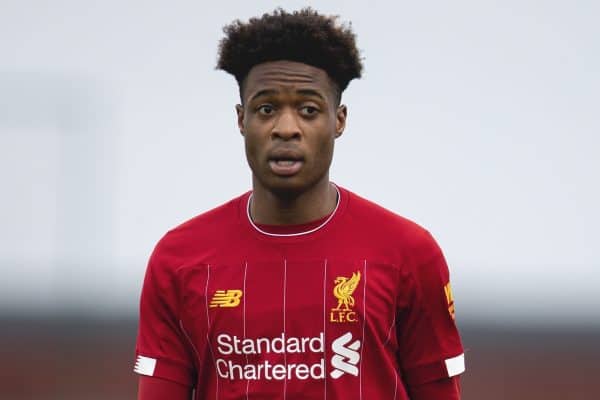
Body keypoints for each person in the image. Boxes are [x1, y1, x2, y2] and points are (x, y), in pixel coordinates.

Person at [134, 7, 465, 400]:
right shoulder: (179, 258)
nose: (286, 128)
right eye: (266, 109)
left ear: (338, 120)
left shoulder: (409, 254)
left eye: (308, 110)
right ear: (241, 120)